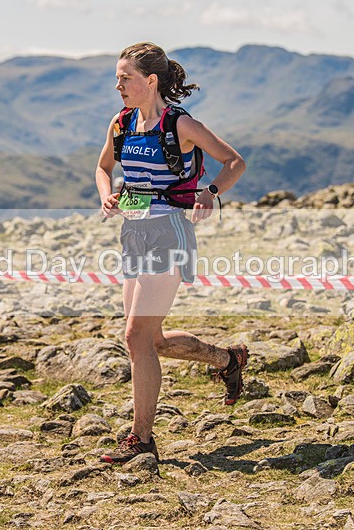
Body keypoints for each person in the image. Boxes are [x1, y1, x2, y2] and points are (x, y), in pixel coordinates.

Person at [95, 42, 248, 464]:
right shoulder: (121, 122)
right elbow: (103, 168)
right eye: (117, 77)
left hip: (169, 233)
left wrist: (210, 192)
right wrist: (108, 196)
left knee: (135, 337)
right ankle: (227, 360)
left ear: (151, 81)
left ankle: (141, 440)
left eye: (125, 78)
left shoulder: (181, 124)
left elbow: (234, 161)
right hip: (134, 234)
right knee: (152, 341)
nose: (118, 85)